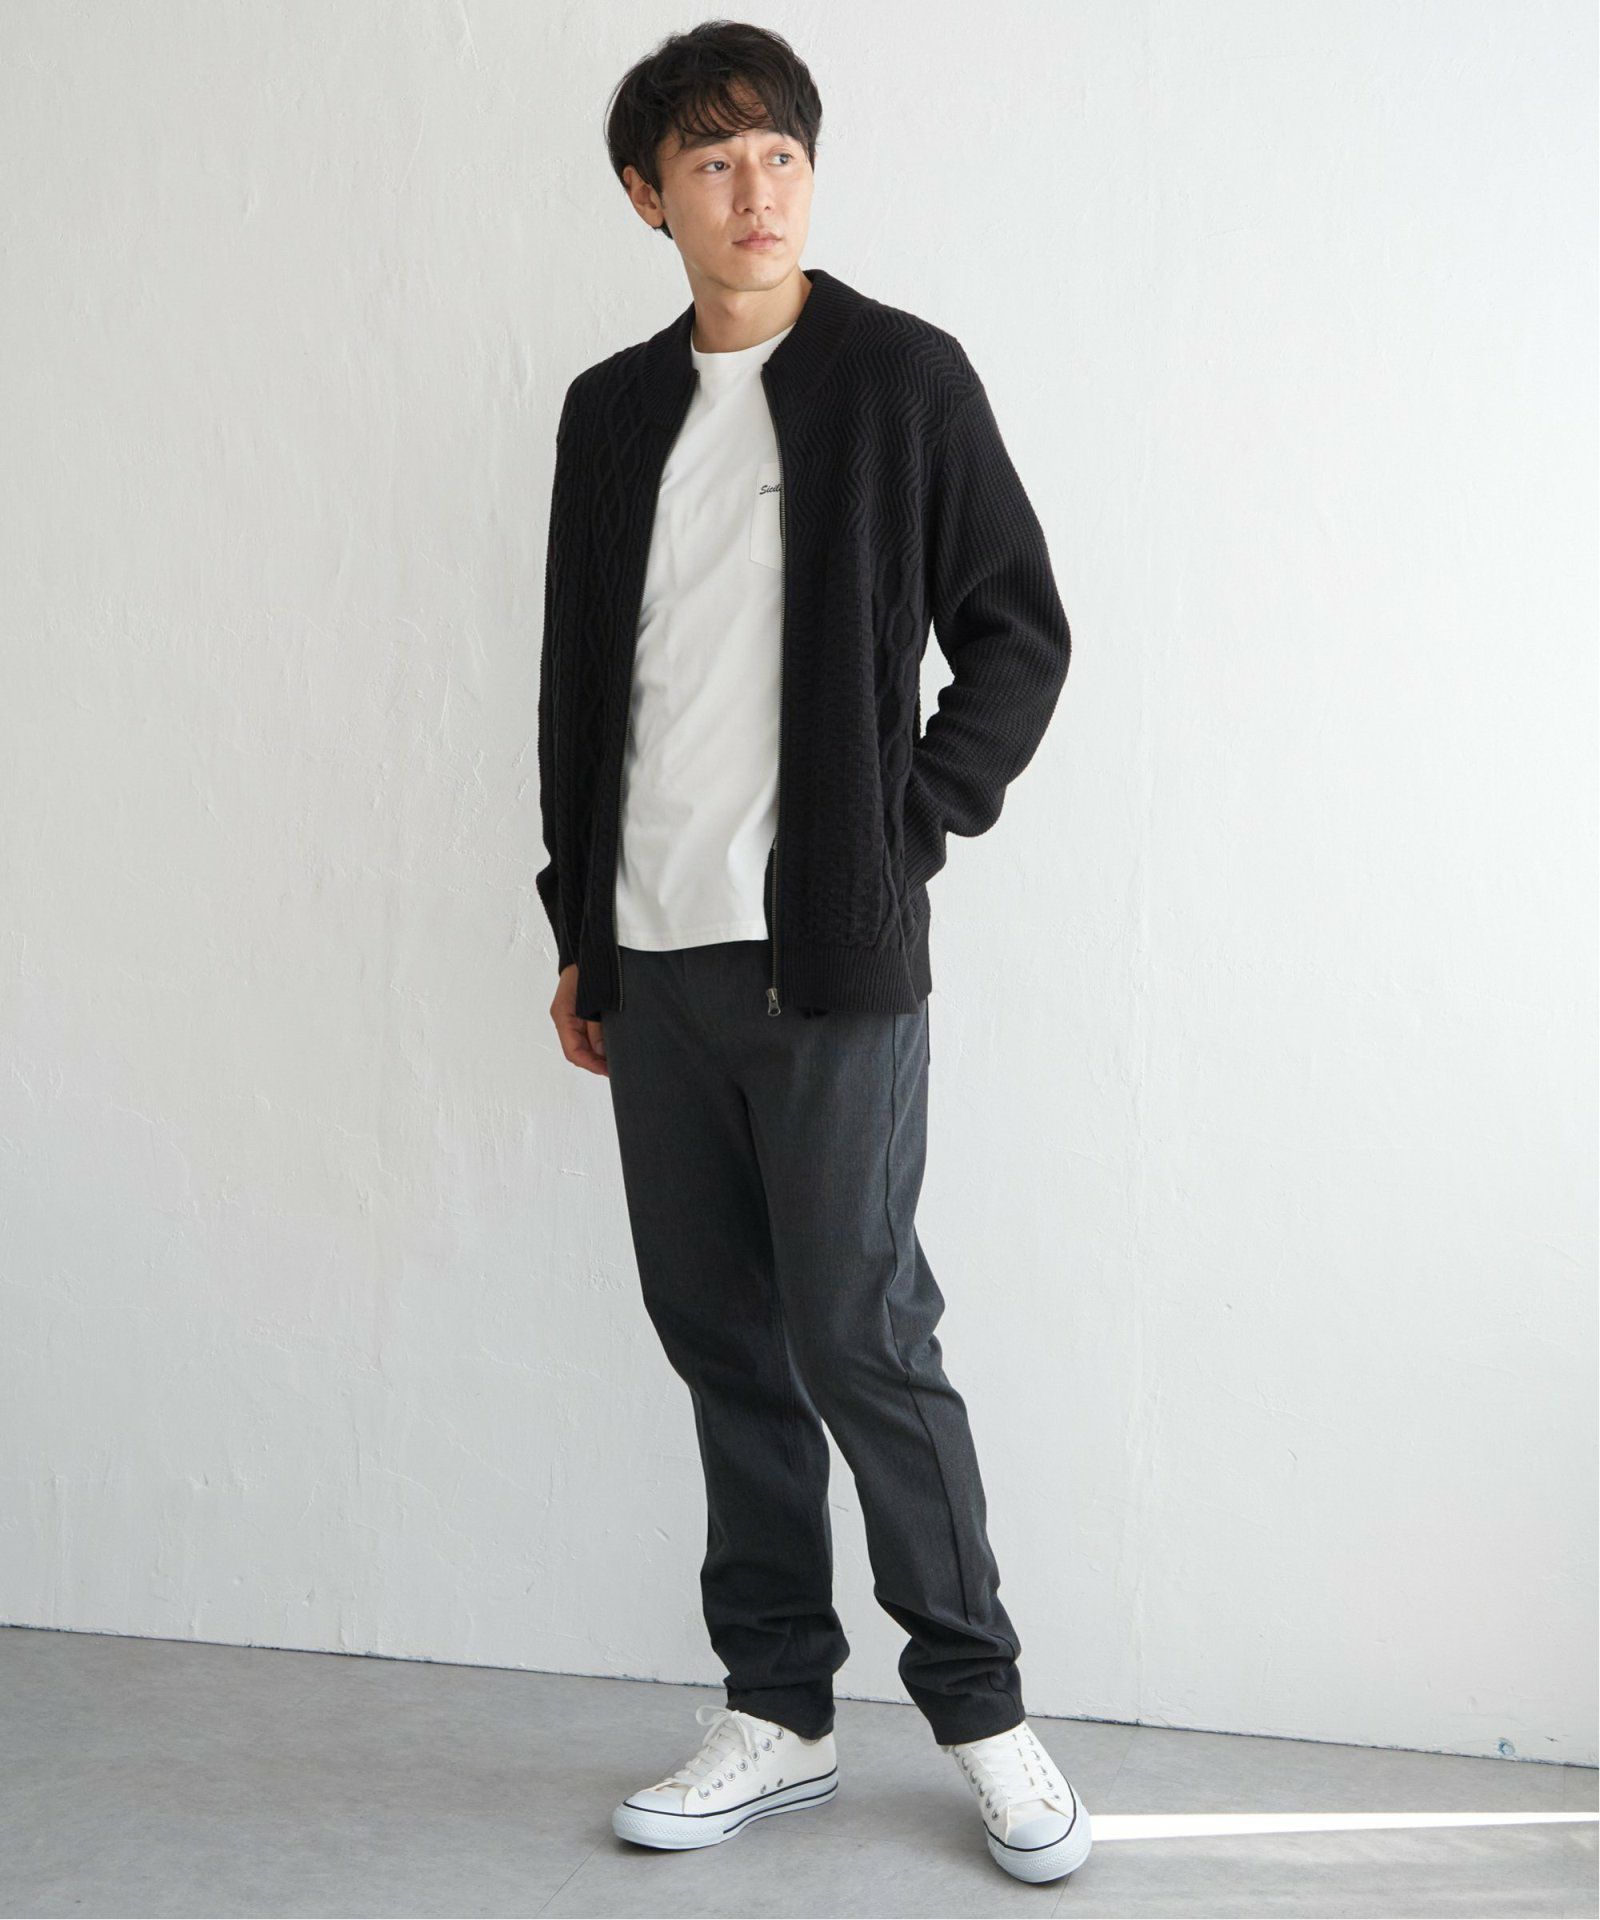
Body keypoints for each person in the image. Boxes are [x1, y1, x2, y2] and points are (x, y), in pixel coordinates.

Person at [534, 20, 1088, 1888]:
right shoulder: (611, 413)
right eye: (712, 162)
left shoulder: (899, 378)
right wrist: (580, 931)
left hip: (828, 962)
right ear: (650, 196)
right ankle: (776, 1712)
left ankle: (983, 1714)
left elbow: (1018, 638)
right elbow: (579, 686)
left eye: (779, 153)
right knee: (721, 1339)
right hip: (654, 961)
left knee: (864, 1335)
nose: (754, 190)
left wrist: (894, 837)